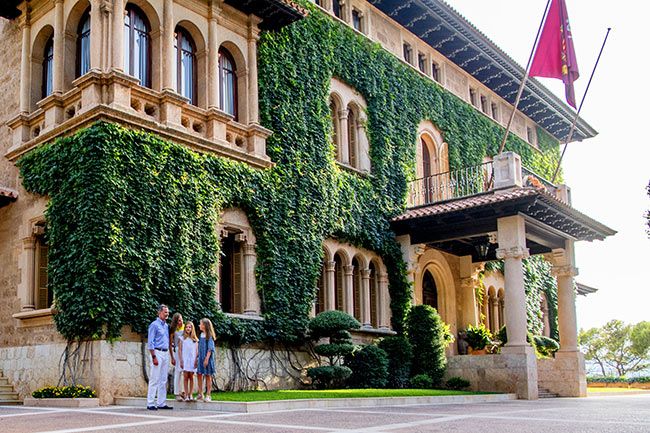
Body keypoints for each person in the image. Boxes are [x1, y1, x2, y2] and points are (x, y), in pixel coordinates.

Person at [146, 304, 173, 410]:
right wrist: (153, 357)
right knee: (154, 378)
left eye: (168, 312)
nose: (167, 314)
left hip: (165, 353)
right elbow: (150, 342)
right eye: (165, 312)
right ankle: (150, 403)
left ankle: (161, 403)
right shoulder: (154, 325)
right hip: (157, 352)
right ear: (159, 312)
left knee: (163, 379)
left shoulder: (166, 326)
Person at [196, 318, 216, 402]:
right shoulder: (201, 335)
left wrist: (206, 359)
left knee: (208, 376)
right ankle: (200, 393)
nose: (199, 325)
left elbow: (210, 349)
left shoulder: (209, 335)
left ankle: (208, 394)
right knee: (199, 375)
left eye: (200, 324)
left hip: (207, 358)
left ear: (204, 325)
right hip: (200, 358)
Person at [178, 321, 198, 401]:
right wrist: (181, 360)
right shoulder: (182, 338)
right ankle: (186, 395)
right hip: (185, 359)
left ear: (192, 328)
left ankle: (190, 394)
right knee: (185, 377)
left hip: (192, 360)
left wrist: (196, 360)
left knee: (191, 377)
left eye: (190, 327)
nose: (188, 328)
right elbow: (179, 350)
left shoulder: (195, 339)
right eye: (186, 327)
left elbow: (196, 351)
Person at [169, 313, 184, 401]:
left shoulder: (186, 327)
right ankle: (177, 393)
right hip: (177, 351)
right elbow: (170, 344)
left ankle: (184, 392)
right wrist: (172, 357)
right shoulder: (173, 330)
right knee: (178, 371)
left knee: (185, 372)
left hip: (186, 351)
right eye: (178, 320)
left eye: (181, 319)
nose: (180, 321)